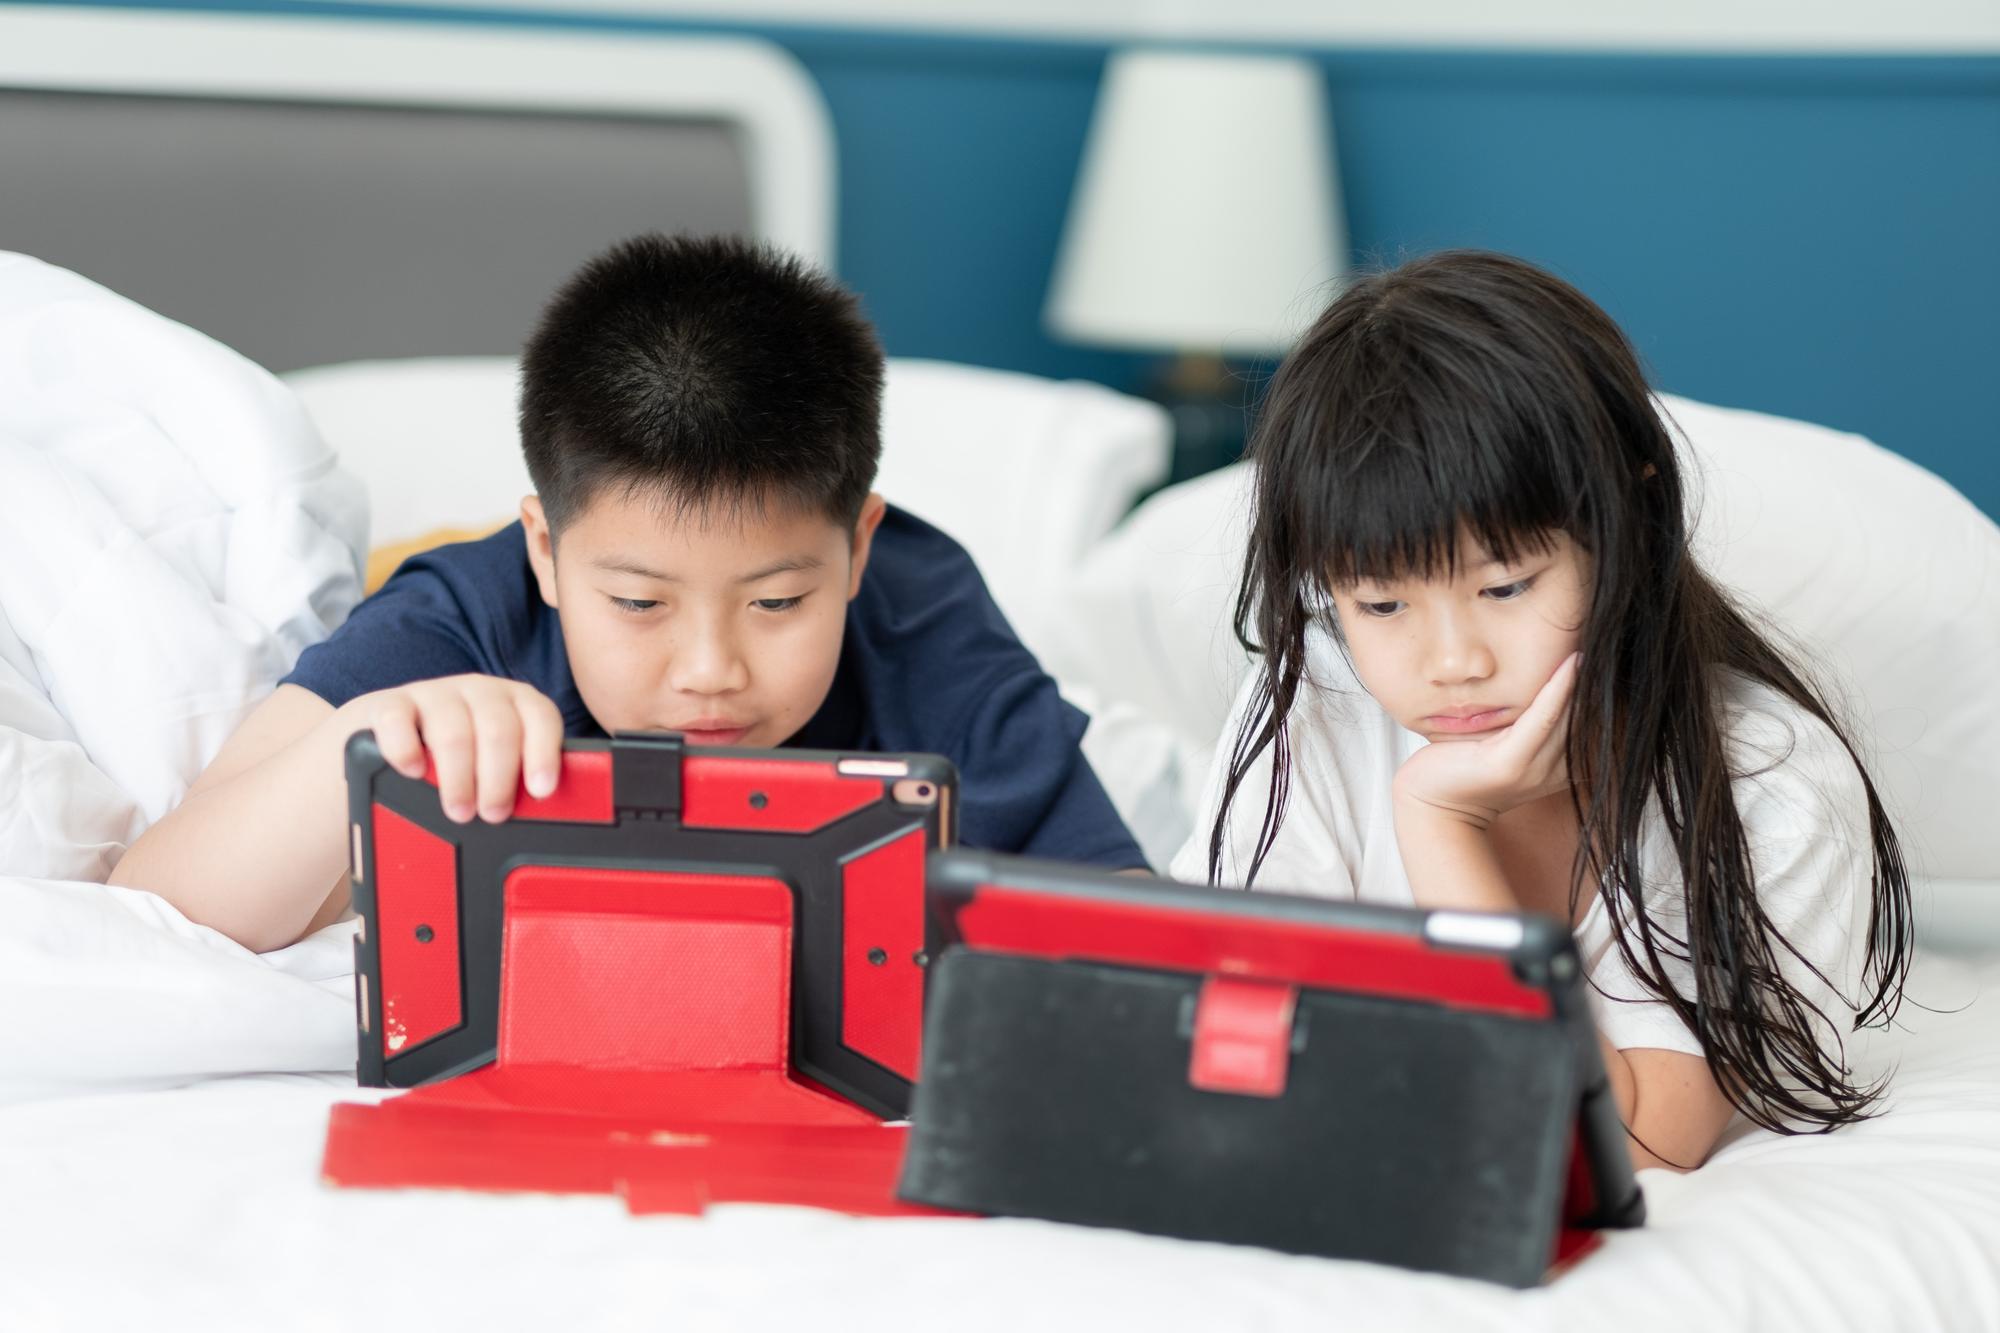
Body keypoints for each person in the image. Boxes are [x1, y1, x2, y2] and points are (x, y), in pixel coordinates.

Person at [113, 233, 1145, 952]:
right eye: (641, 605)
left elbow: (1129, 930)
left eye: (777, 602)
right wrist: (371, 742)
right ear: (547, 555)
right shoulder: (465, 619)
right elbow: (159, 897)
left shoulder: (922, 618)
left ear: (858, 549)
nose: (710, 673)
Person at [1170, 250, 1912, 1171]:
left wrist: (1439, 821)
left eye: (1507, 585)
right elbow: (1234, 1046)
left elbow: (1623, 1138)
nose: (1453, 663)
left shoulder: (1769, 779)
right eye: (1382, 605)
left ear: (1624, 527)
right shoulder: (1315, 699)